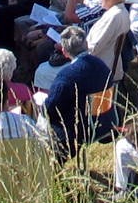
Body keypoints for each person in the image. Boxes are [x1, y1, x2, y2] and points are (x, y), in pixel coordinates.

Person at [45, 27, 111, 160]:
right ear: (86, 45)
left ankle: (53, 164)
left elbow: (50, 108)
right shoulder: (102, 65)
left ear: (64, 51)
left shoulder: (66, 76)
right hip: (105, 121)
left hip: (80, 130)